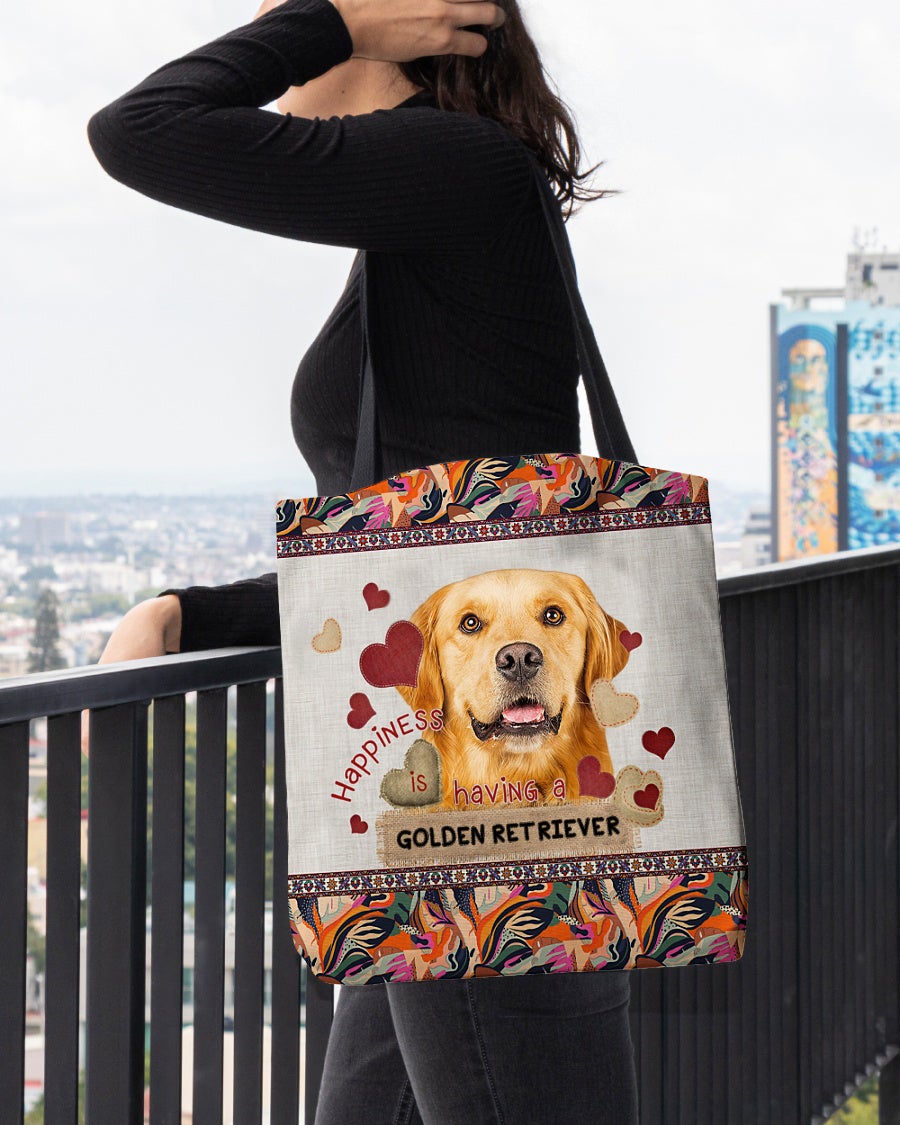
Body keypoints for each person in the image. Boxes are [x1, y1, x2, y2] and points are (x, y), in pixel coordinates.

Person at [87, 0, 640, 1120]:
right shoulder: (440, 202)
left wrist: (334, 24)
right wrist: (195, 613)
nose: (269, 28)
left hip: (480, 807)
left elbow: (138, 129)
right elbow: (425, 569)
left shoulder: (454, 167)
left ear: (400, 23)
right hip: (446, 792)